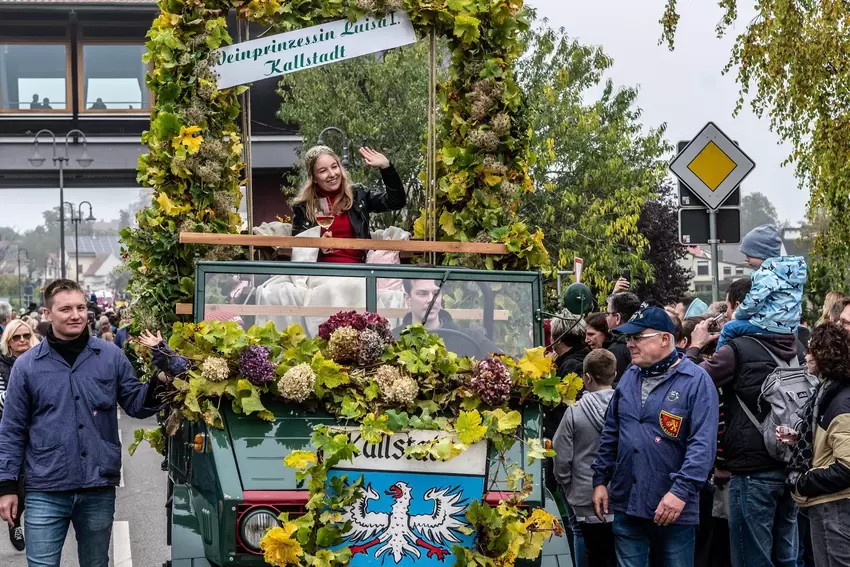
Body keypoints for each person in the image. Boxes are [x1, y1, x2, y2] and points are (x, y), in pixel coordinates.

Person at [0, 279, 169, 566]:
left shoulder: (110, 357)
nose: (76, 315)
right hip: (45, 487)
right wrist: (6, 486)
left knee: (95, 563)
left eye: (80, 307)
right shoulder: (27, 366)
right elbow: (12, 429)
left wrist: (161, 379)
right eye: (65, 309)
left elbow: (137, 405)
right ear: (48, 313)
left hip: (96, 486)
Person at [688, 276, 803, 567]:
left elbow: (691, 381)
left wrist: (695, 346)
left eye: (727, 309)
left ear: (740, 307)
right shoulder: (794, 345)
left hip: (752, 471)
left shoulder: (738, 348)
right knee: (786, 557)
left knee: (752, 557)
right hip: (790, 463)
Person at [591, 307, 719, 567]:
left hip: (673, 509)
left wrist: (680, 493)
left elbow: (702, 447)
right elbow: (612, 431)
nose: (630, 344)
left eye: (638, 337)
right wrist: (600, 479)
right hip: (628, 502)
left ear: (664, 339)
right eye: (628, 338)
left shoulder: (696, 382)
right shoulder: (629, 377)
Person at [781, 323, 850, 567]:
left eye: (811, 350)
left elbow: (847, 467)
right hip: (828, 504)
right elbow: (831, 443)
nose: (806, 356)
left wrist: (803, 481)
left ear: (824, 355)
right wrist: (799, 440)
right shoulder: (828, 394)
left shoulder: (839, 401)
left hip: (835, 505)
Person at [554, 349, 618, 567]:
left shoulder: (574, 412)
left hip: (583, 492)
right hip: (619, 491)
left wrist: (566, 484)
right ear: (615, 374)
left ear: (586, 378)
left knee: (582, 536)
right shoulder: (626, 408)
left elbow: (560, 455)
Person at [292, 145, 406, 263]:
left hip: (358, 271)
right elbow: (298, 250)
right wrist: (319, 246)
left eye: (334, 167)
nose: (332, 174)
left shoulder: (358, 196)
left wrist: (386, 167)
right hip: (321, 272)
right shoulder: (303, 207)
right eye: (323, 171)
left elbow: (396, 202)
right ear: (314, 178)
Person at [716, 224, 807, 349]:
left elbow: (754, 302)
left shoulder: (765, 274)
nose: (746, 259)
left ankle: (719, 358)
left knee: (729, 328)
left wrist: (736, 315)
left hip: (770, 325)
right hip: (790, 328)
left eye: (749, 254)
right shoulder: (788, 273)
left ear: (761, 253)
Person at [0, 319, 39, 553]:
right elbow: (3, 399)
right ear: (9, 342)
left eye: (25, 335)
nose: (22, 340)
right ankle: (14, 522)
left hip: (36, 433)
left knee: (32, 484)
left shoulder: (39, 360)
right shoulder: (2, 365)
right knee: (15, 484)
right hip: (10, 432)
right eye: (16, 337)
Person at [393, 277, 500, 356]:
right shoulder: (393, 342)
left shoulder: (471, 339)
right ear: (407, 299)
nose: (431, 300)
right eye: (422, 293)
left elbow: (504, 366)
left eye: (436, 293)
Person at [605, 292, 640, 381]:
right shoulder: (646, 343)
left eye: (607, 314)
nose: (606, 318)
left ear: (617, 318)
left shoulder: (614, 351)